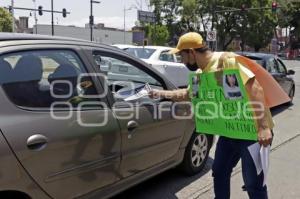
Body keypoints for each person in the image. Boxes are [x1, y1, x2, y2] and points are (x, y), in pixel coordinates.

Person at [149, 32, 273, 199]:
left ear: (192, 52)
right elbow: (187, 94)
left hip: (252, 133)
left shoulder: (226, 60)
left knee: (253, 183)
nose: (181, 61)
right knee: (219, 172)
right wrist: (159, 93)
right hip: (229, 132)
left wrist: (264, 127)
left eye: (182, 56)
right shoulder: (201, 75)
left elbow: (255, 88)